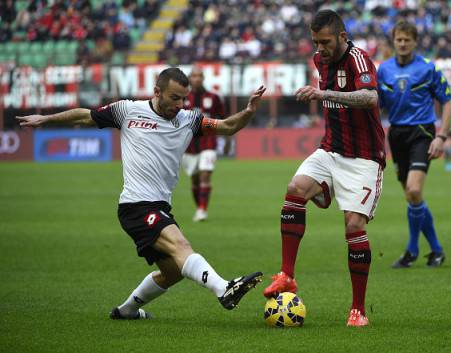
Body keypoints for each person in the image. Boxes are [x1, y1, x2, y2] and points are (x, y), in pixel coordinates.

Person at [17, 68, 266, 319]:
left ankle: (127, 311)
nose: (180, 104)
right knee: (181, 246)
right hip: (136, 206)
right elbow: (85, 116)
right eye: (174, 97)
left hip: (159, 207)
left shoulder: (189, 120)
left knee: (173, 272)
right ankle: (223, 288)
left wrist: (249, 111)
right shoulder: (127, 110)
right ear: (157, 92)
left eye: (183, 98)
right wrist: (45, 119)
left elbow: (228, 126)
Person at [263, 10, 386, 327]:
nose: (320, 49)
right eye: (316, 42)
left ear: (343, 37)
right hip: (331, 148)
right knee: (295, 189)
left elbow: (370, 98)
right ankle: (287, 275)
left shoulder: (359, 60)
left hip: (364, 157)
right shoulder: (320, 61)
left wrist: (323, 94)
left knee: (353, 227)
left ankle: (358, 310)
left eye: (326, 42)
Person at [377, 21, 451, 269]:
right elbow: (377, 104)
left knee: (414, 190)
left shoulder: (428, 68)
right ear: (394, 41)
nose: (402, 43)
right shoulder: (384, 70)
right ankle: (437, 250)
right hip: (397, 134)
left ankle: (411, 250)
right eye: (399, 39)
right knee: (412, 196)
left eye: (407, 39)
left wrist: (441, 136)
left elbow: (448, 100)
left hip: (422, 132)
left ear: (414, 42)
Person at [181, 66, 228, 222]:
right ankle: (200, 207)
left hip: (209, 143)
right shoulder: (182, 98)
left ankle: (202, 210)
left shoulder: (213, 97)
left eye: (200, 75)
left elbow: (224, 119)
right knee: (194, 180)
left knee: (205, 175)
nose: (198, 78)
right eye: (194, 76)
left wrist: (227, 140)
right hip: (187, 146)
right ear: (189, 78)